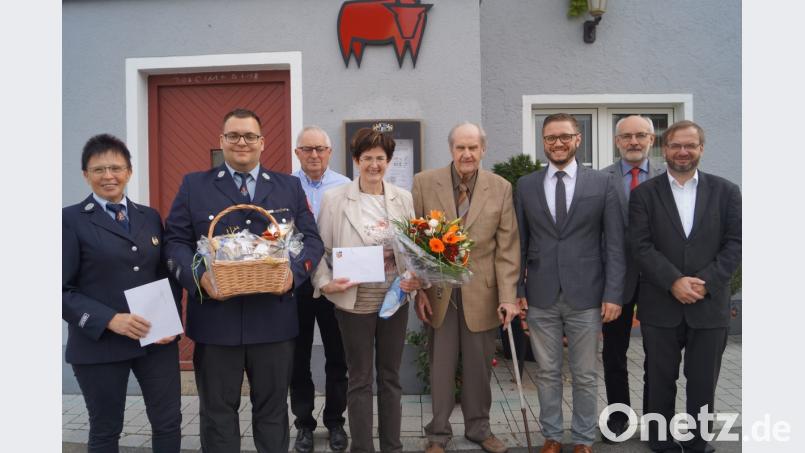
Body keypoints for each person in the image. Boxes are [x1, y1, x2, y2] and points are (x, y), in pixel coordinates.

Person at [163, 108, 324, 453]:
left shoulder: (288, 186)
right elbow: (174, 242)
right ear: (221, 141)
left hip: (273, 321)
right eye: (234, 135)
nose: (242, 142)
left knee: (273, 413)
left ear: (262, 142)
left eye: (250, 136)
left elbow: (312, 241)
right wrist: (199, 277)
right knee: (217, 415)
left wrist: (293, 274)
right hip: (216, 321)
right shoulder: (194, 185)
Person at [63, 133, 182, 453]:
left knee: (168, 423)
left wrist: (169, 322)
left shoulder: (150, 216)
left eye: (116, 168)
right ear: (85, 175)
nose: (108, 176)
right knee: (106, 429)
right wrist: (109, 320)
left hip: (155, 340)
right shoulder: (68, 220)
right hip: (99, 343)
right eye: (99, 169)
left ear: (129, 171)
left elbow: (165, 274)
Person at [514, 113, 625, 453]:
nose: (558, 143)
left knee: (585, 373)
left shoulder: (602, 183)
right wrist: (518, 289)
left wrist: (613, 293)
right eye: (550, 138)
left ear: (578, 139)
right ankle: (551, 436)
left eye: (564, 136)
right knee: (546, 372)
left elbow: (615, 243)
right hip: (541, 294)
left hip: (587, 293)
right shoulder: (526, 185)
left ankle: (582, 438)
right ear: (543, 142)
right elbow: (519, 243)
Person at [629, 120, 741, 453]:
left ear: (701, 149)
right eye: (676, 145)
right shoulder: (644, 195)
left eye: (690, 145)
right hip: (660, 302)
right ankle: (660, 439)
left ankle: (697, 441)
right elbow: (640, 245)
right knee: (659, 378)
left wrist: (705, 284)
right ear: (664, 149)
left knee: (704, 380)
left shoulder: (727, 191)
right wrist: (673, 281)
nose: (683, 151)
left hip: (709, 305)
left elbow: (735, 244)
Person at [413, 122, 520, 453]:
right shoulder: (424, 183)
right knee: (440, 368)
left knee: (478, 369)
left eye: (473, 147)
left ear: (483, 149)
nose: (467, 154)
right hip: (439, 293)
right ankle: (438, 434)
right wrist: (419, 290)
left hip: (483, 294)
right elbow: (414, 244)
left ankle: (479, 429)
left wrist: (508, 298)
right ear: (451, 149)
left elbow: (507, 249)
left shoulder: (500, 188)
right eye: (461, 147)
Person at [312, 126, 421, 453]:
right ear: (356, 161)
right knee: (359, 379)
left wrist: (415, 278)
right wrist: (324, 283)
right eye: (368, 158)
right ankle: (362, 448)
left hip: (395, 299)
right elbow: (319, 250)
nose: (374, 165)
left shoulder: (402, 198)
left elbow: (413, 251)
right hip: (354, 301)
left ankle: (392, 447)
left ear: (389, 161)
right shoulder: (335, 199)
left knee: (390, 377)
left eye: (381, 158)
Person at [600, 115, 664, 440]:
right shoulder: (602, 180)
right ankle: (619, 418)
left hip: (658, 281)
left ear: (652, 139)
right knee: (614, 353)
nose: (634, 141)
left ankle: (655, 420)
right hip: (616, 280)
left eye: (641, 135)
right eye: (626, 136)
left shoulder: (669, 178)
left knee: (659, 354)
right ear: (617, 142)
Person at [291, 126, 350, 453]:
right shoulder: (285, 186)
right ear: (297, 152)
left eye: (320, 149)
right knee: (297, 357)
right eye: (307, 149)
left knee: (337, 356)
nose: (314, 155)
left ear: (330, 152)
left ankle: (335, 421)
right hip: (297, 283)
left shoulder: (345, 186)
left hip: (335, 283)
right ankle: (303, 424)